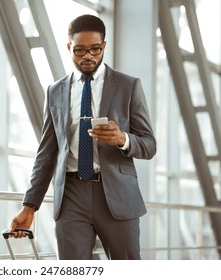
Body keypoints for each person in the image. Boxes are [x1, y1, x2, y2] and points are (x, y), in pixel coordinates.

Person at [8, 14, 156, 260]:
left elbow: (149, 145)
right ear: (69, 47)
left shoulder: (128, 85)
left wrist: (122, 139)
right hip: (70, 195)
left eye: (95, 49)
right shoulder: (55, 91)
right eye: (80, 50)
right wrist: (29, 205)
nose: (88, 56)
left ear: (104, 46)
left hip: (117, 196)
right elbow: (46, 153)